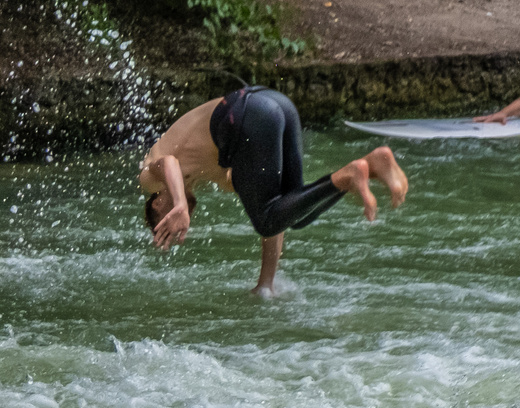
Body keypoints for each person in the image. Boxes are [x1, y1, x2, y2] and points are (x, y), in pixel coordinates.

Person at [139, 86, 408, 296]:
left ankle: (350, 174)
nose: (180, 225)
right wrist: (266, 283)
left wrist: (180, 205)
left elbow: (169, 164)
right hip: (275, 105)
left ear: (156, 205)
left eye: (167, 225)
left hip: (244, 112)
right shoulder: (209, 172)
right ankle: (369, 167)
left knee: (270, 218)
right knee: (294, 214)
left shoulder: (150, 180)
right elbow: (278, 211)